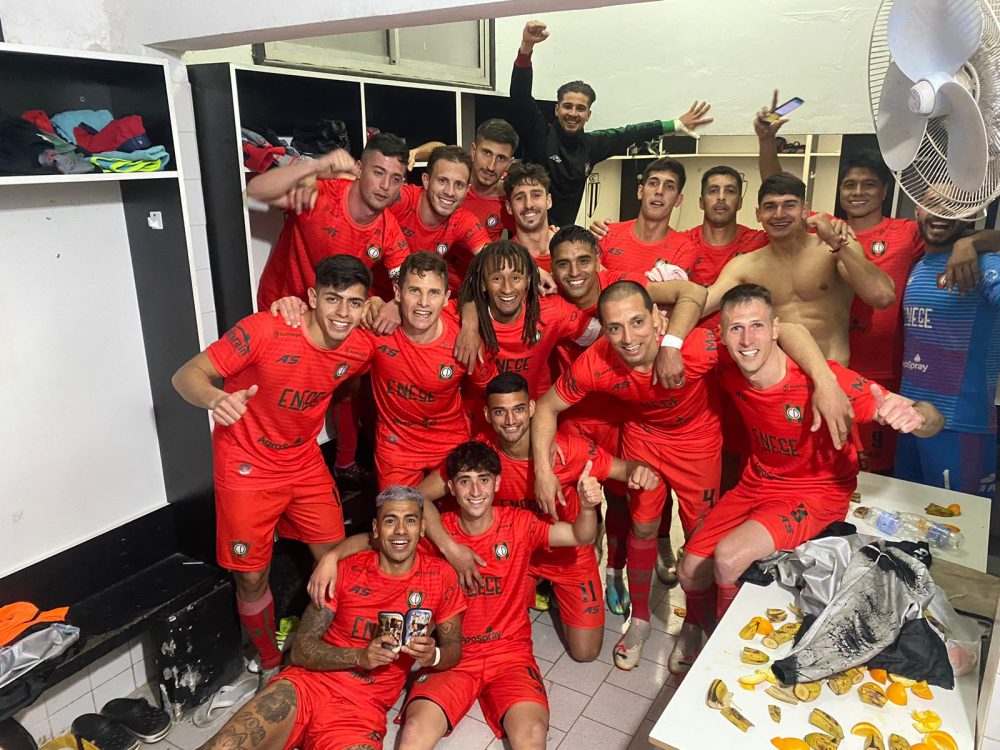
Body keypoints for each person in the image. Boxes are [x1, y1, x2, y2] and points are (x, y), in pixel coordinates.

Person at [533, 281, 851, 670]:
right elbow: (546, 407)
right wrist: (543, 470)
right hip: (644, 439)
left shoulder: (692, 346)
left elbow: (789, 330)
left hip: (697, 443)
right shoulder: (596, 362)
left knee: (698, 539)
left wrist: (825, 379)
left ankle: (694, 624)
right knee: (643, 527)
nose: (628, 338)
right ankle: (640, 620)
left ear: (657, 318)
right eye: (615, 328)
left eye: (637, 322)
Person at [674, 283, 944, 672]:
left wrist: (916, 415)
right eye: (736, 328)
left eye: (757, 326)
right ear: (722, 334)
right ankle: (695, 627)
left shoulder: (827, 382)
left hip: (817, 491)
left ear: (774, 329)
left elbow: (931, 421)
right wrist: (667, 342)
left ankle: (720, 655)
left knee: (728, 559)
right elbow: (673, 326)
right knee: (688, 570)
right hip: (758, 480)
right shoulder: (728, 362)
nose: (747, 340)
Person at [172, 255, 377, 684]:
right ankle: (268, 662)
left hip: (303, 462)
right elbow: (186, 375)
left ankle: (328, 649)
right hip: (246, 466)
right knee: (251, 576)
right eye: (333, 299)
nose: (343, 312)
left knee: (337, 560)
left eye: (355, 303)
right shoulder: (265, 330)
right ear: (312, 297)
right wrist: (215, 399)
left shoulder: (359, 346)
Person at [757, 101, 996, 470]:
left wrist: (972, 242)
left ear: (884, 191)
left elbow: (955, 229)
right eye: (849, 185)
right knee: (832, 460)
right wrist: (766, 142)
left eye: (868, 184)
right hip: (831, 367)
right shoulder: (825, 229)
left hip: (887, 369)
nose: (858, 192)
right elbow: (780, 194)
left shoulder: (908, 232)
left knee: (880, 468)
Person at [197, 486, 466, 750]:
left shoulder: (441, 577)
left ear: (422, 528)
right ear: (375, 529)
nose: (400, 530)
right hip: (307, 686)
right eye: (390, 520)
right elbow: (301, 650)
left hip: (360, 710)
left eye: (410, 520)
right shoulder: (346, 569)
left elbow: (454, 649)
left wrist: (433, 656)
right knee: (223, 746)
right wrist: (359, 656)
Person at [416, 373, 659, 662]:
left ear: (532, 408)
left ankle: (555, 590)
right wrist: (450, 548)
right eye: (500, 412)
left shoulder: (569, 450)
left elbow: (625, 468)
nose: (510, 420)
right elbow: (416, 497)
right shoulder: (480, 456)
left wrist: (640, 471)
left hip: (567, 551)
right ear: (487, 415)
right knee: (481, 633)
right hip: (513, 557)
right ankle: (536, 587)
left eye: (518, 409)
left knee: (585, 653)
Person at [398, 440, 604, 749]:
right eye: (464, 481)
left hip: (509, 654)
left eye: (483, 479)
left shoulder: (518, 524)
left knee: (532, 733)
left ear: (497, 483)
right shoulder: (440, 534)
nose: (475, 490)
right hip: (454, 654)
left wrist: (587, 508)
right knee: (415, 730)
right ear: (451, 487)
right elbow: (388, 529)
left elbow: (579, 535)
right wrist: (333, 558)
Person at [510, 20, 713, 225]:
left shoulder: (592, 146)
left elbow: (629, 133)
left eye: (580, 108)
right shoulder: (539, 134)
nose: (573, 113)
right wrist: (527, 47)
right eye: (567, 106)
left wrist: (675, 125)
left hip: (561, 235)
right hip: (526, 231)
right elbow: (520, 96)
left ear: (588, 115)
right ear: (557, 109)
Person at [699, 171, 896, 365]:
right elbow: (700, 306)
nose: (779, 214)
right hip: (779, 378)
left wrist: (835, 243)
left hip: (833, 371)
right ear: (759, 214)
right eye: (770, 206)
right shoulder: (745, 266)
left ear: (804, 210)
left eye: (789, 205)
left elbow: (882, 297)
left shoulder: (834, 248)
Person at [895, 199, 1000, 498]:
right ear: (917, 212)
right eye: (931, 204)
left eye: (951, 205)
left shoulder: (984, 264)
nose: (940, 213)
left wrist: (974, 243)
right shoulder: (919, 266)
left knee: (958, 521)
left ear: (968, 214)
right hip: (910, 417)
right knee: (907, 518)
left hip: (961, 425)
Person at [368, 251, 496, 487]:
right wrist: (372, 302)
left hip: (450, 443)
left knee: (471, 505)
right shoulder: (377, 329)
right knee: (398, 510)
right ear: (397, 292)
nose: (424, 302)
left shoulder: (465, 338)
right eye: (414, 290)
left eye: (433, 292)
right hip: (397, 447)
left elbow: (486, 389)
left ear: (446, 298)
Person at [250, 133, 411, 307]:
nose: (385, 185)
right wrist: (316, 166)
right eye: (378, 173)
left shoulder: (389, 230)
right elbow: (255, 190)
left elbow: (409, 283)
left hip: (331, 316)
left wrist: (388, 305)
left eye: (395, 179)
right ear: (359, 169)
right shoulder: (321, 195)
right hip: (281, 308)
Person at [456, 240, 600, 399]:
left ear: (529, 280)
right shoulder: (462, 319)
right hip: (477, 411)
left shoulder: (550, 310)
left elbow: (602, 335)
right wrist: (469, 326)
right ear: (483, 284)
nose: (507, 289)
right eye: (497, 279)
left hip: (532, 408)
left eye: (516, 278)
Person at [388, 145, 490, 293]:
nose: (450, 192)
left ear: (467, 190)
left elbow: (493, 260)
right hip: (371, 298)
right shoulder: (402, 199)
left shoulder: (462, 220)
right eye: (442, 181)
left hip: (417, 299)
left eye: (459, 185)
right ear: (426, 180)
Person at [589, 157, 696, 276]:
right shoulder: (606, 234)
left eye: (669, 186)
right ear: (640, 192)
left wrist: (607, 274)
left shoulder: (684, 250)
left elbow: (669, 289)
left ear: (678, 200)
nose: (659, 191)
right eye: (653, 183)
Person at [503, 161, 560, 272]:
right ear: (509, 207)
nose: (528, 205)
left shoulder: (572, 249)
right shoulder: (505, 261)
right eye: (520, 198)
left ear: (548, 201)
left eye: (536, 195)